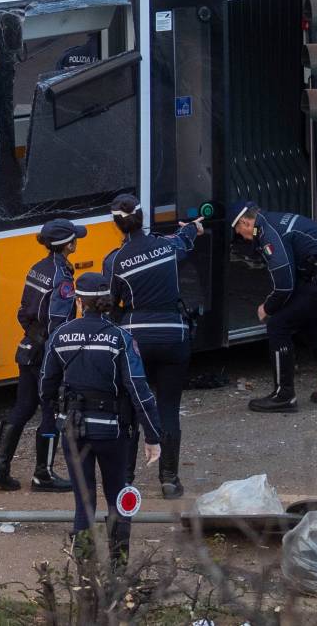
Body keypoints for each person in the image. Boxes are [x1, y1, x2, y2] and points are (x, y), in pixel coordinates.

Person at [39, 272, 162, 567]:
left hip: (73, 431)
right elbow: (138, 388)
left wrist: (54, 418)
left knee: (83, 502)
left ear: (79, 301)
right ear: (108, 302)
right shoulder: (121, 338)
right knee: (119, 496)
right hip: (113, 432)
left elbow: (46, 385)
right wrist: (153, 435)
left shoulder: (59, 336)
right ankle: (119, 567)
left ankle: (83, 571)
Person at [101, 193, 202, 499]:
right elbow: (185, 238)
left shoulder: (115, 260)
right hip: (174, 336)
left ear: (117, 225)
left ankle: (126, 480)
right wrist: (193, 227)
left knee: (131, 408)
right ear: (143, 218)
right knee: (168, 407)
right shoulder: (167, 246)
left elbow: (109, 304)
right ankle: (169, 480)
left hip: (136, 343)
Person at [227, 201, 317, 412]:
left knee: (278, 324)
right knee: (310, 323)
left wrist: (267, 307)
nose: (242, 237)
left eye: (238, 231)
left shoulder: (267, 232)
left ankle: (284, 395)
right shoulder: (276, 218)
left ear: (245, 222)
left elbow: (284, 285)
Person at [0, 218, 85, 492]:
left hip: (28, 347)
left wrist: (34, 335)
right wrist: (62, 353)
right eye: (75, 238)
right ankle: (44, 475)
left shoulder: (36, 268)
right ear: (68, 245)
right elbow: (57, 321)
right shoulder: (62, 275)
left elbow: (22, 311)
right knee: (49, 409)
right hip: (46, 354)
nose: (78, 241)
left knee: (23, 407)